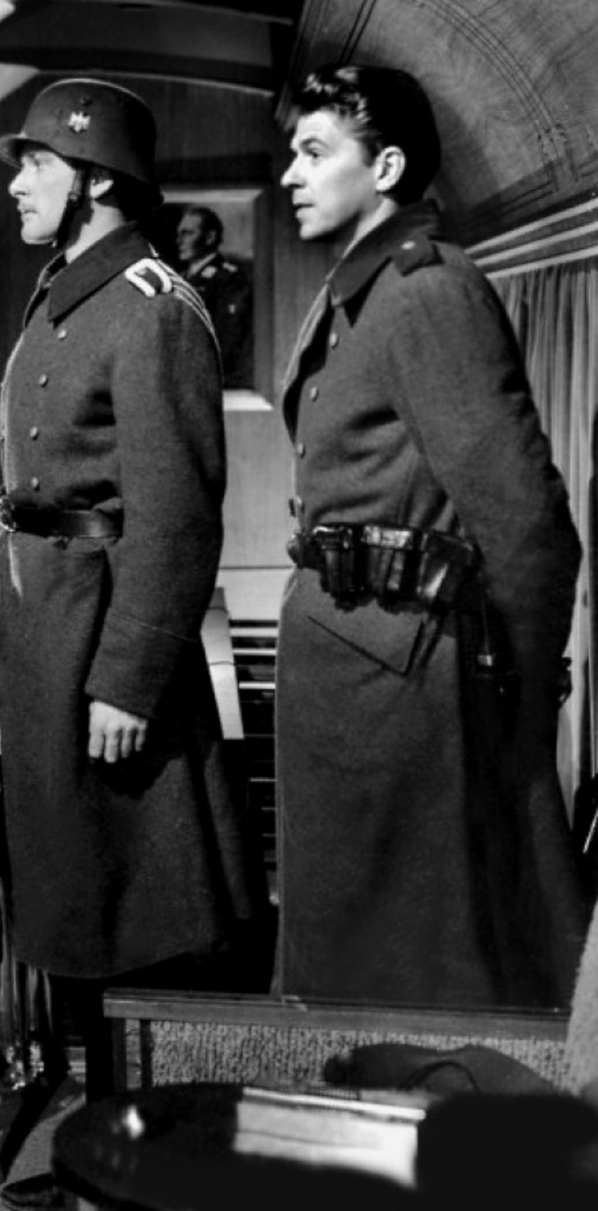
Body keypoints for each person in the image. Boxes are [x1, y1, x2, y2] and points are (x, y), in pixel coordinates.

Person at [0, 78, 261, 1209]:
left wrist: (129, 679)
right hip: (47, 636)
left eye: (35, 165)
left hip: (102, 650)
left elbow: (177, 516)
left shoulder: (153, 305)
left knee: (129, 918)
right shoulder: (65, 293)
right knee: (82, 908)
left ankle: (134, 1169)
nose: (16, 184)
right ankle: (101, 1158)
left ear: (95, 178)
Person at [274, 64, 586, 1009]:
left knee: (412, 977)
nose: (291, 173)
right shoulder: (358, 292)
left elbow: (529, 529)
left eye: (315, 151)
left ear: (387, 167)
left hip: (401, 695)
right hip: (354, 680)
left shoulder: (426, 292)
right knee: (352, 967)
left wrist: (514, 712)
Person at [173, 204, 253, 388]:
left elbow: (228, 339)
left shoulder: (229, 279)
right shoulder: (181, 277)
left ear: (209, 237)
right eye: (179, 234)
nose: (179, 241)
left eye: (187, 233)